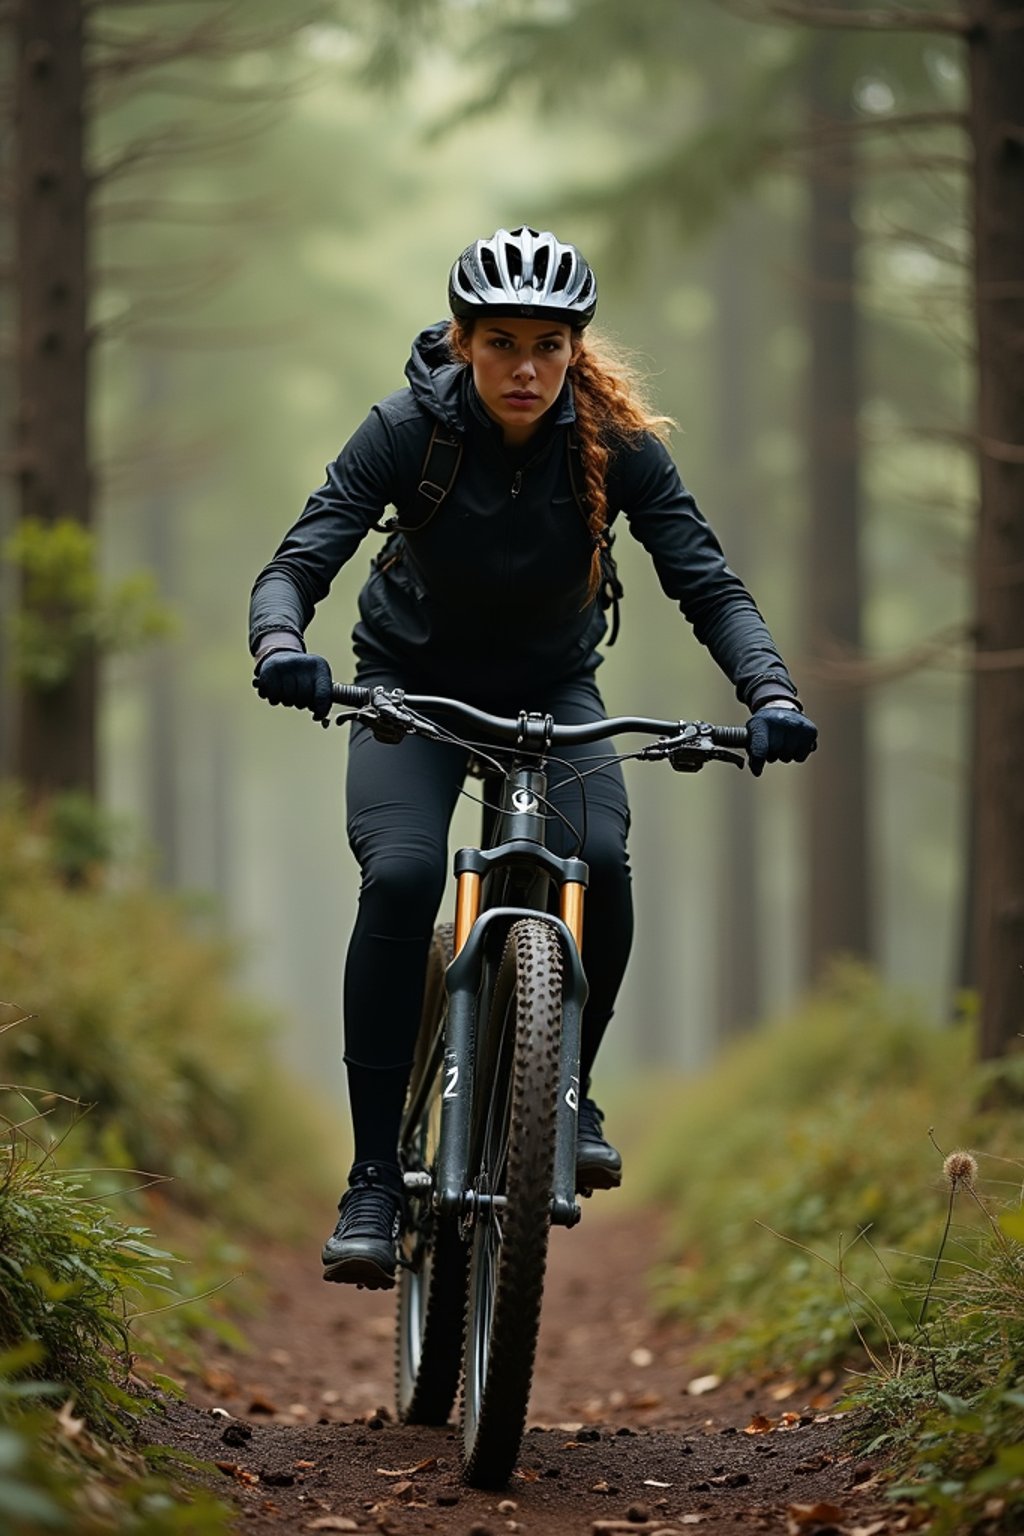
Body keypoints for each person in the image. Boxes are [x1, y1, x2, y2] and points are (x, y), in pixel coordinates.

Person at [249, 225, 817, 1289]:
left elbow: (708, 583)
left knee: (598, 857)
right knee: (407, 873)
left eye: (547, 345)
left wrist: (770, 691)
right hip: (410, 691)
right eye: (501, 342)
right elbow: (299, 557)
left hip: (555, 695)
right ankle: (373, 1174)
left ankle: (566, 1091)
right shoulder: (408, 430)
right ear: (462, 343)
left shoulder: (614, 442)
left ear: (574, 351)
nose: (524, 367)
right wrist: (284, 646)